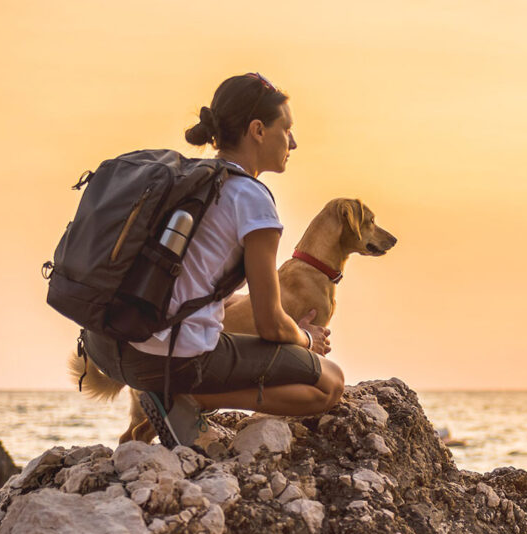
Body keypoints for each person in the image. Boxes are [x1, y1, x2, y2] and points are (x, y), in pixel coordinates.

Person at [82, 73, 344, 447]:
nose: (293, 142)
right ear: (257, 130)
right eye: (286, 129)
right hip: (168, 362)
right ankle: (187, 399)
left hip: (105, 345)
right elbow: (270, 325)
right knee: (330, 382)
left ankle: (170, 395)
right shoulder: (252, 200)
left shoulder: (187, 179)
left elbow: (192, 285)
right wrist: (304, 338)